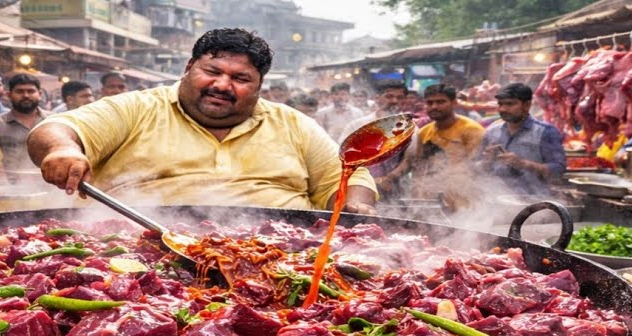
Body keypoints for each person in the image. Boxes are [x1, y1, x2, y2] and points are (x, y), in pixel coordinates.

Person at [27, 28, 377, 213]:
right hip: (136, 250)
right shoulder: (137, 108)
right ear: (188, 68)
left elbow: (348, 177)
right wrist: (61, 149)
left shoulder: (293, 124)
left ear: (259, 87)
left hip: (286, 254)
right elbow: (56, 129)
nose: (222, 85)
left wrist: (354, 205)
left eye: (240, 78)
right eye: (212, 71)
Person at [397, 84, 486, 207]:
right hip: (429, 200)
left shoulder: (472, 130)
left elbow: (476, 166)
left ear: (454, 103)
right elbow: (418, 167)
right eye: (430, 103)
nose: (434, 106)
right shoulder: (424, 132)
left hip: (461, 200)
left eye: (440, 102)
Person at [478, 82, 565, 195]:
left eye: (509, 104)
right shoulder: (491, 132)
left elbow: (558, 169)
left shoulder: (545, 132)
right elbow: (476, 168)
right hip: (495, 198)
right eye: (500, 104)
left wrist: (524, 164)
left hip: (533, 199)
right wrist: (486, 162)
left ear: (526, 105)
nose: (503, 109)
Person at [345, 80, 407, 194]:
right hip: (359, 187)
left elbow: (410, 159)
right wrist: (367, 180)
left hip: (395, 189)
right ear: (377, 98)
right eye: (389, 96)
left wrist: (388, 178)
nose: (394, 101)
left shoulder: (411, 129)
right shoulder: (357, 125)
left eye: (400, 97)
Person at [0, 73, 52, 173]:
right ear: (9, 95)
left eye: (31, 91)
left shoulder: (53, 121)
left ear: (40, 94)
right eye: (19, 91)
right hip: (7, 181)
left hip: (49, 180)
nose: (26, 95)